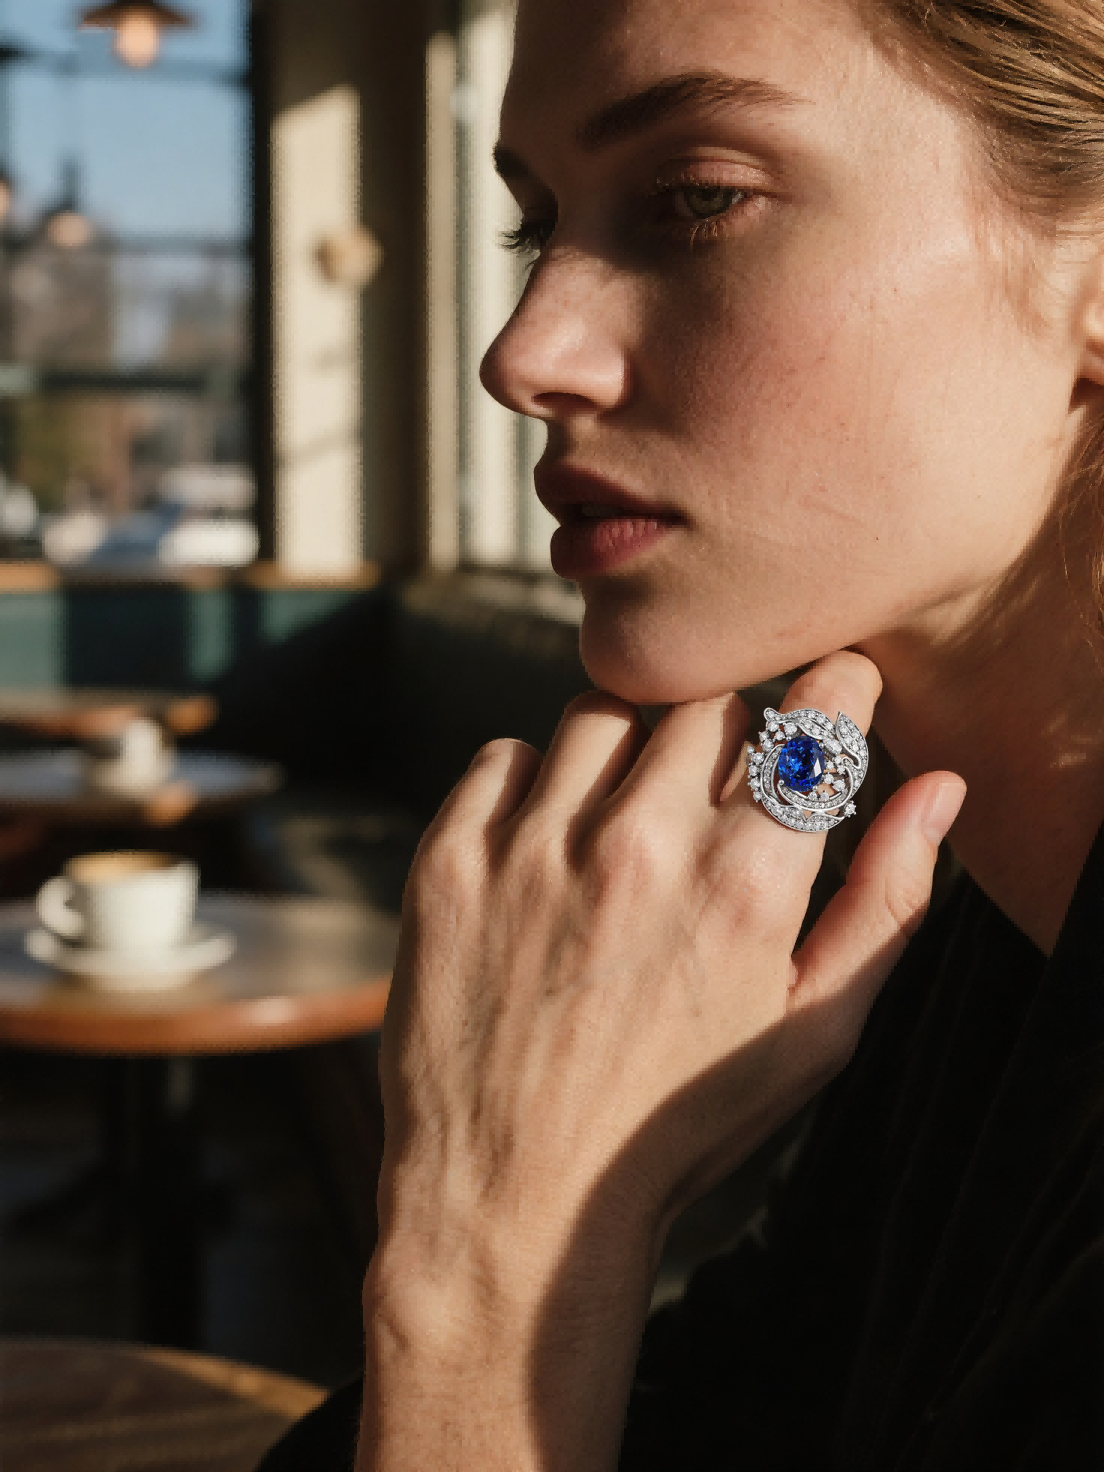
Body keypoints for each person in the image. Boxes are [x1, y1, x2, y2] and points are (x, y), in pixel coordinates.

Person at [257, 0, 1104, 1466]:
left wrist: (483, 1270)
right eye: (535, 227)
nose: (525, 355)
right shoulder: (971, 951)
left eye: (697, 198)